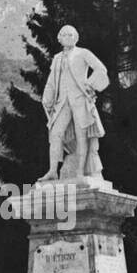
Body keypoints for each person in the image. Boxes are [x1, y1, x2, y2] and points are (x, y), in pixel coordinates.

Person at [39, 25, 109, 182]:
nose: (67, 37)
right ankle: (52, 171)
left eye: (70, 35)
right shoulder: (57, 58)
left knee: (81, 136)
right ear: (60, 38)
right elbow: (51, 82)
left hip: (80, 101)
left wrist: (90, 85)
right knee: (55, 133)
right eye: (64, 35)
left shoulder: (83, 53)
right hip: (62, 102)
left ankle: (79, 173)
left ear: (76, 37)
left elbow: (101, 69)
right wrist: (47, 99)